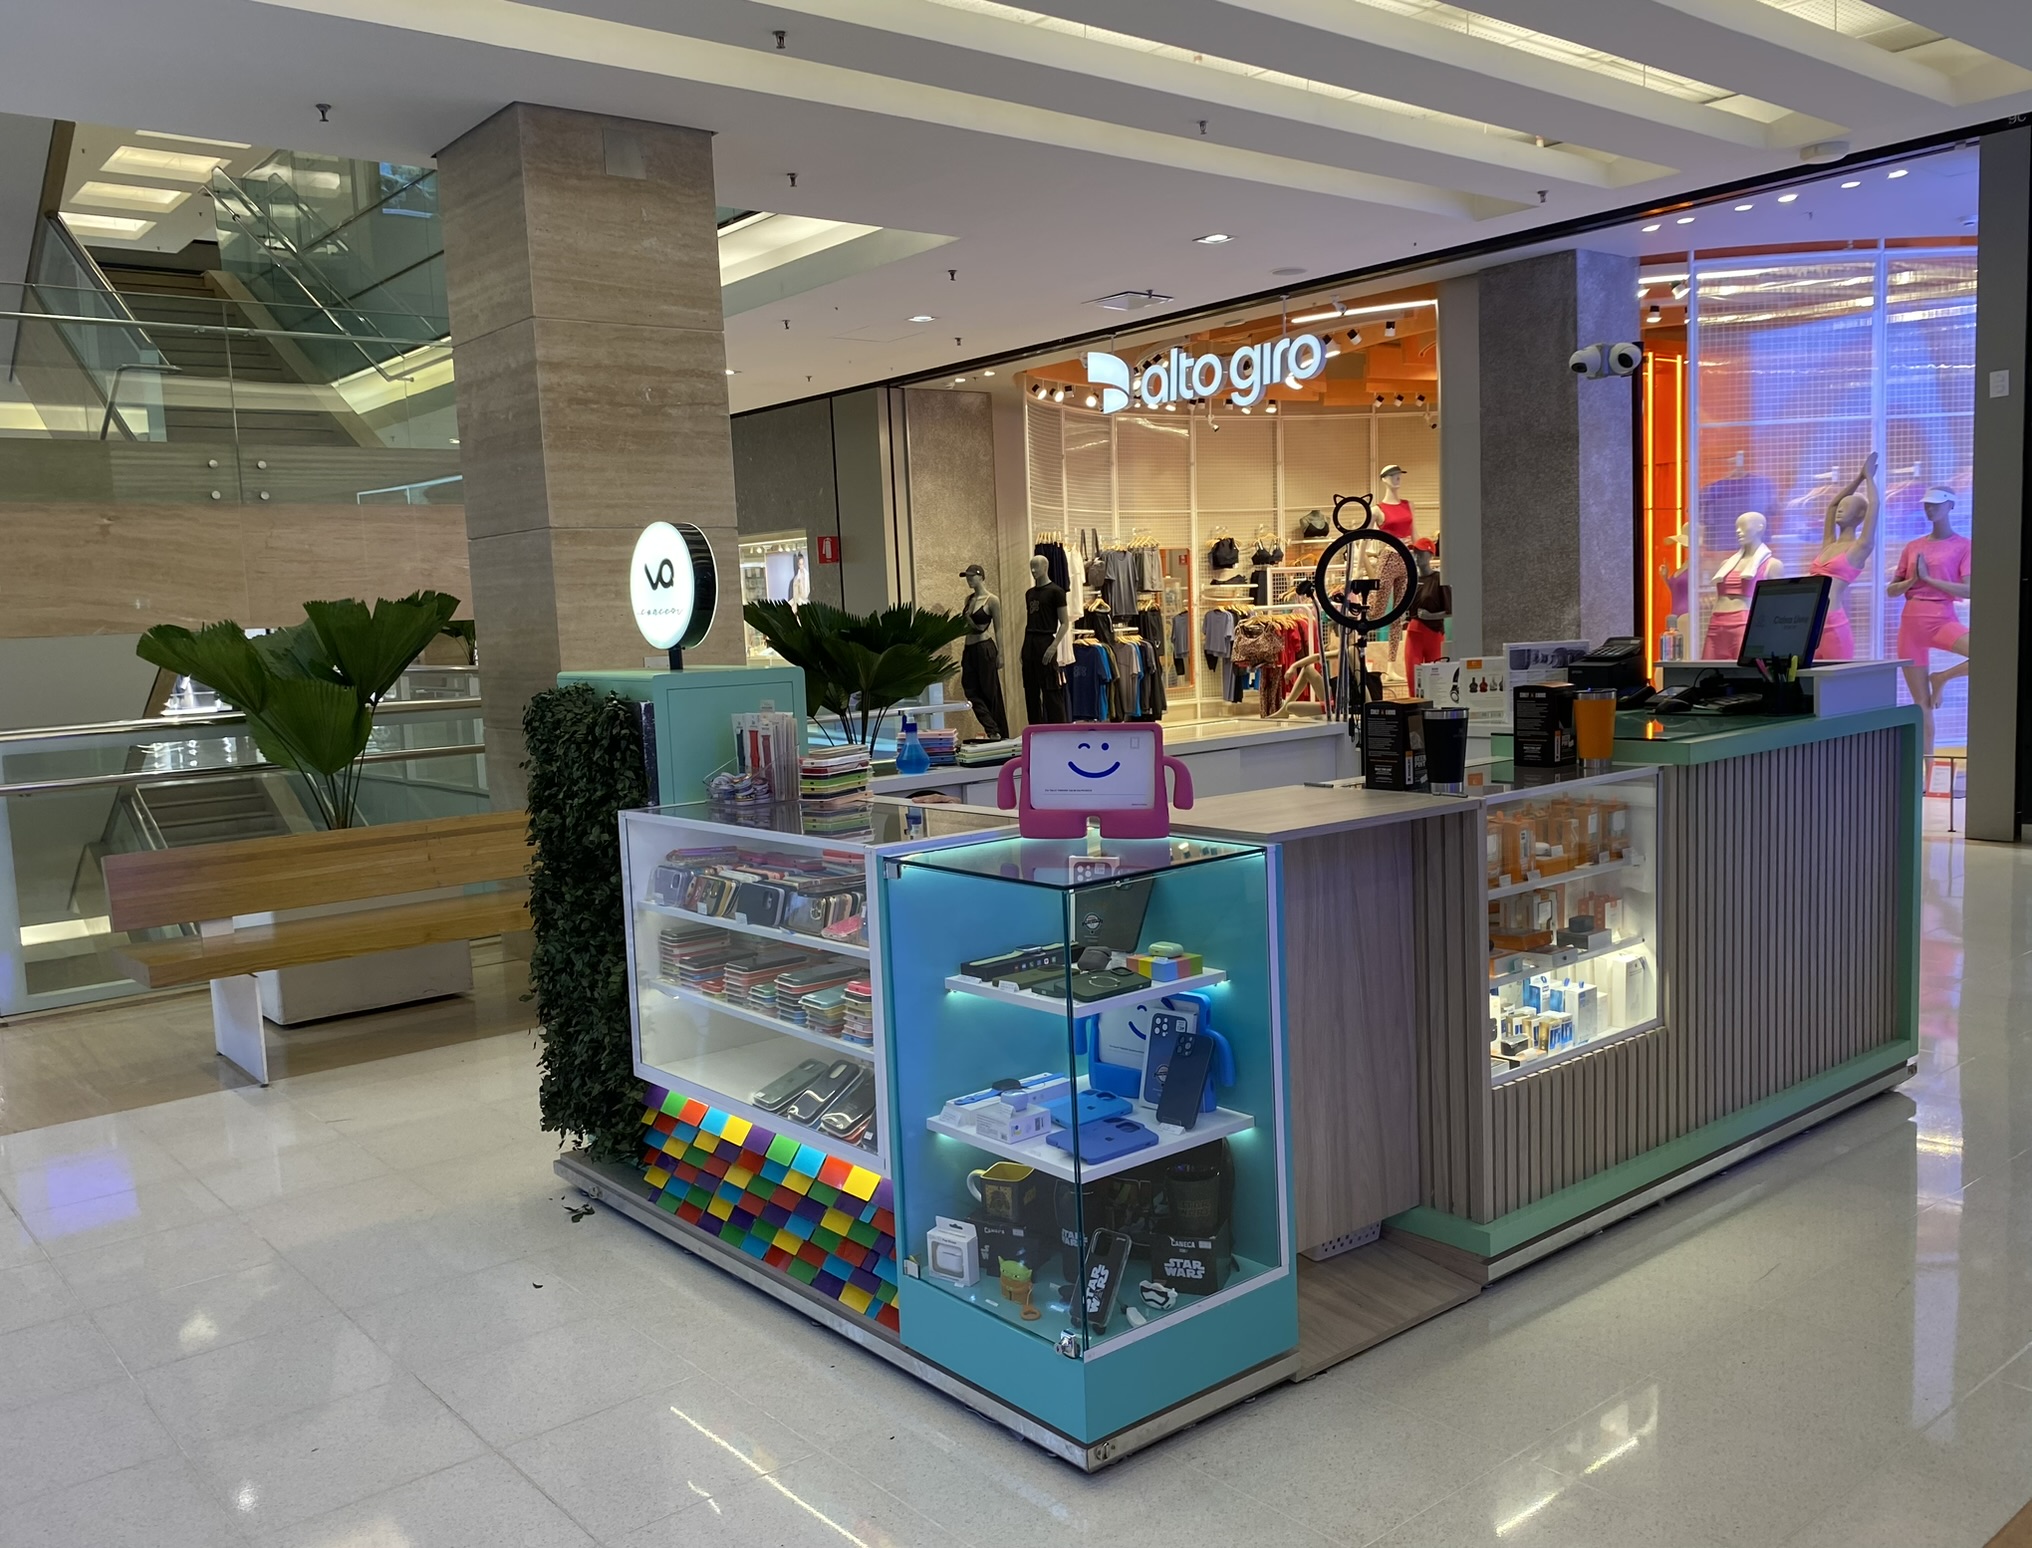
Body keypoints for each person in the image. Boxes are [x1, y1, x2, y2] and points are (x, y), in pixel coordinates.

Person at [1886, 485, 1971, 767]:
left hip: (1942, 618)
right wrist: (1912, 581)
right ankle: (1926, 773)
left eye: (1936, 504)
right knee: (1921, 706)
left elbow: (1969, 590)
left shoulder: (1963, 546)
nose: (1929, 508)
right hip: (1911, 622)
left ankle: (1942, 678)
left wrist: (1929, 579)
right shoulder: (1913, 546)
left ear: (1951, 506)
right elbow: (1892, 590)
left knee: (1986, 654)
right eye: (1926, 504)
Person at [1805, 454, 1878, 661]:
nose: (1840, 510)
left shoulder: (1860, 547)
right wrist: (1858, 478)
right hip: (1809, 624)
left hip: (1832, 625)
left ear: (1860, 514)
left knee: (1837, 679)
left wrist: (1869, 478)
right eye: (1841, 506)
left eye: (1848, 507)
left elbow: (1874, 505)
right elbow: (1832, 505)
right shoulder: (1829, 543)